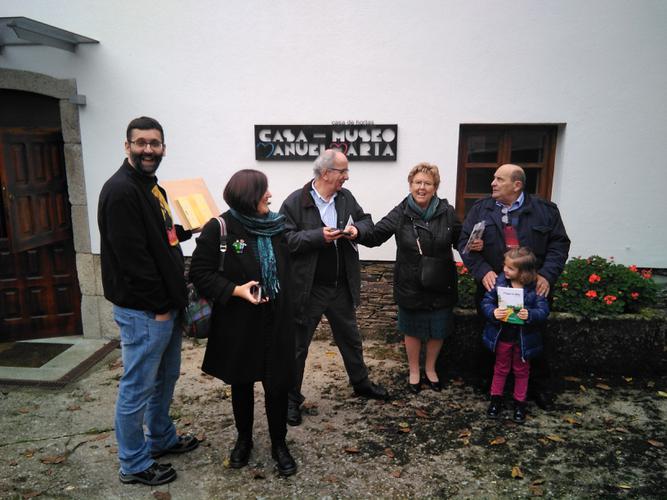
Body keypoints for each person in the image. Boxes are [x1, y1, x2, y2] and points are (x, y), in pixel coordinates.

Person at [98, 116, 199, 486]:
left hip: (164, 306)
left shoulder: (151, 186)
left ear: (163, 148)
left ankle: (160, 438)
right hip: (145, 309)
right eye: (140, 143)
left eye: (154, 143)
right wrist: (159, 306)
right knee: (138, 385)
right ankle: (134, 463)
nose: (148, 150)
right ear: (127, 146)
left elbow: (162, 235)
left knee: (166, 377)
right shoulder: (121, 190)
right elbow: (133, 260)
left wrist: (191, 228)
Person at [189, 169, 297, 476]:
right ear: (249, 195)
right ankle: (244, 439)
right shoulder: (219, 227)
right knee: (242, 382)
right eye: (264, 190)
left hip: (276, 320)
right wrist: (236, 290)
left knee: (277, 384)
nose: (270, 195)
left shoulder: (277, 225)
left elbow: (290, 265)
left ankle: (279, 443)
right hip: (239, 321)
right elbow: (200, 272)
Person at [279, 149, 389, 427]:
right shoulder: (295, 201)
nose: (347, 177)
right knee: (297, 346)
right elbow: (284, 239)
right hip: (308, 288)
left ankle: (361, 384)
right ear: (326, 173)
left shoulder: (346, 198)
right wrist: (318, 236)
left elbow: (366, 221)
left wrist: (357, 231)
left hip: (339, 286)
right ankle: (291, 399)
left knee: (351, 339)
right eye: (343, 172)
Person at [458, 163, 570, 409]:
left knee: (533, 336)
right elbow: (464, 242)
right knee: (491, 333)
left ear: (516, 185)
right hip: (492, 286)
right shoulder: (481, 209)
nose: (492, 183)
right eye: (493, 178)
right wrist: (482, 270)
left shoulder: (545, 210)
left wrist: (546, 276)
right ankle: (491, 384)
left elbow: (559, 245)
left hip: (532, 289)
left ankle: (538, 387)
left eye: (499, 179)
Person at [364, 163, 461, 394]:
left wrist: (474, 244)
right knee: (413, 329)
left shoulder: (447, 212)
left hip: (441, 281)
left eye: (427, 183)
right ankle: (414, 371)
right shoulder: (400, 212)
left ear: (435, 187)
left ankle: (431, 369)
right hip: (411, 281)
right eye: (417, 182)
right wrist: (357, 231)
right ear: (410, 185)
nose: (421, 187)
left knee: (438, 329)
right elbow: (376, 235)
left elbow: (461, 240)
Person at [481, 247, 549, 423]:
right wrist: (493, 312)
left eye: (510, 268)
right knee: (500, 368)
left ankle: (520, 403)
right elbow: (486, 302)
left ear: (524, 272)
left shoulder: (535, 289)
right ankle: (495, 400)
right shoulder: (499, 283)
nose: (505, 269)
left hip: (523, 340)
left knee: (521, 371)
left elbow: (543, 310)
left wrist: (531, 315)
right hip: (502, 336)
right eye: (505, 265)